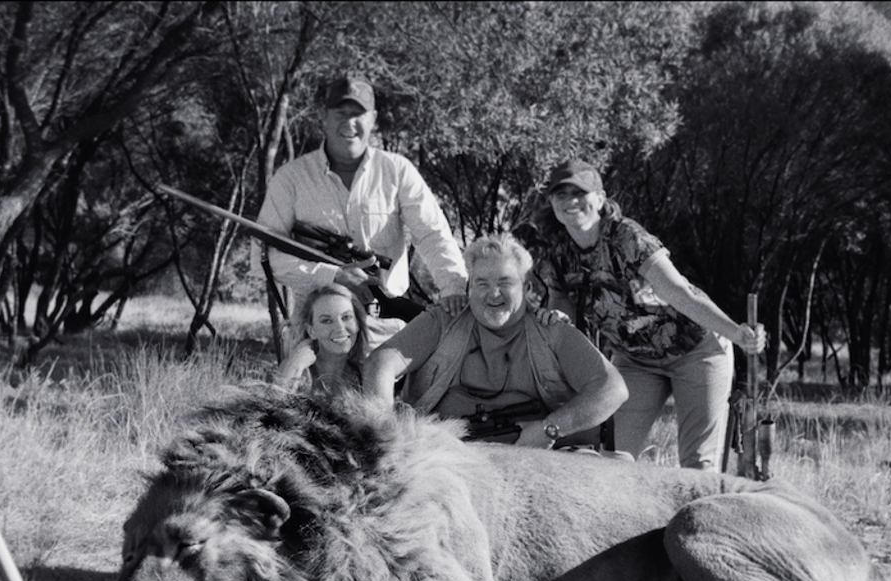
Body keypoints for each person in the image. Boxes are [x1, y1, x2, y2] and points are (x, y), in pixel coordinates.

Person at [524, 158, 766, 468]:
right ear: (552, 204)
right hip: (635, 360)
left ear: (599, 199)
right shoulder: (557, 252)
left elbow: (679, 292)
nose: (571, 202)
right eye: (561, 194)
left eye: (580, 193)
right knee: (612, 457)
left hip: (696, 351)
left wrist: (737, 333)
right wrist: (558, 322)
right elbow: (560, 297)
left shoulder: (627, 237)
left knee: (697, 465)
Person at [254, 76, 468, 348]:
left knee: (385, 388)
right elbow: (260, 259)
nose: (349, 122)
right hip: (316, 326)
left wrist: (454, 290)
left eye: (358, 114)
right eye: (340, 113)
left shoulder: (398, 170)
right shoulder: (290, 178)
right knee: (312, 391)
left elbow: (432, 235)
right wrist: (332, 276)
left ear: (373, 119)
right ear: (324, 118)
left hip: (385, 326)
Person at [364, 232, 629, 451]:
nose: (493, 294)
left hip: (544, 460)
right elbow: (381, 363)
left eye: (505, 282)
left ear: (527, 289)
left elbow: (612, 389)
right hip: (448, 458)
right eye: (481, 283)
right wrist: (387, 437)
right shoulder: (443, 320)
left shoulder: (552, 330)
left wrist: (550, 429)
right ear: (468, 289)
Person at [274, 284, 368, 396]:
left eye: (346, 317)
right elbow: (273, 407)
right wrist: (295, 366)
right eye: (326, 321)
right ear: (311, 330)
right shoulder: (298, 370)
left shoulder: (365, 375)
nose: (340, 328)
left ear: (357, 323)